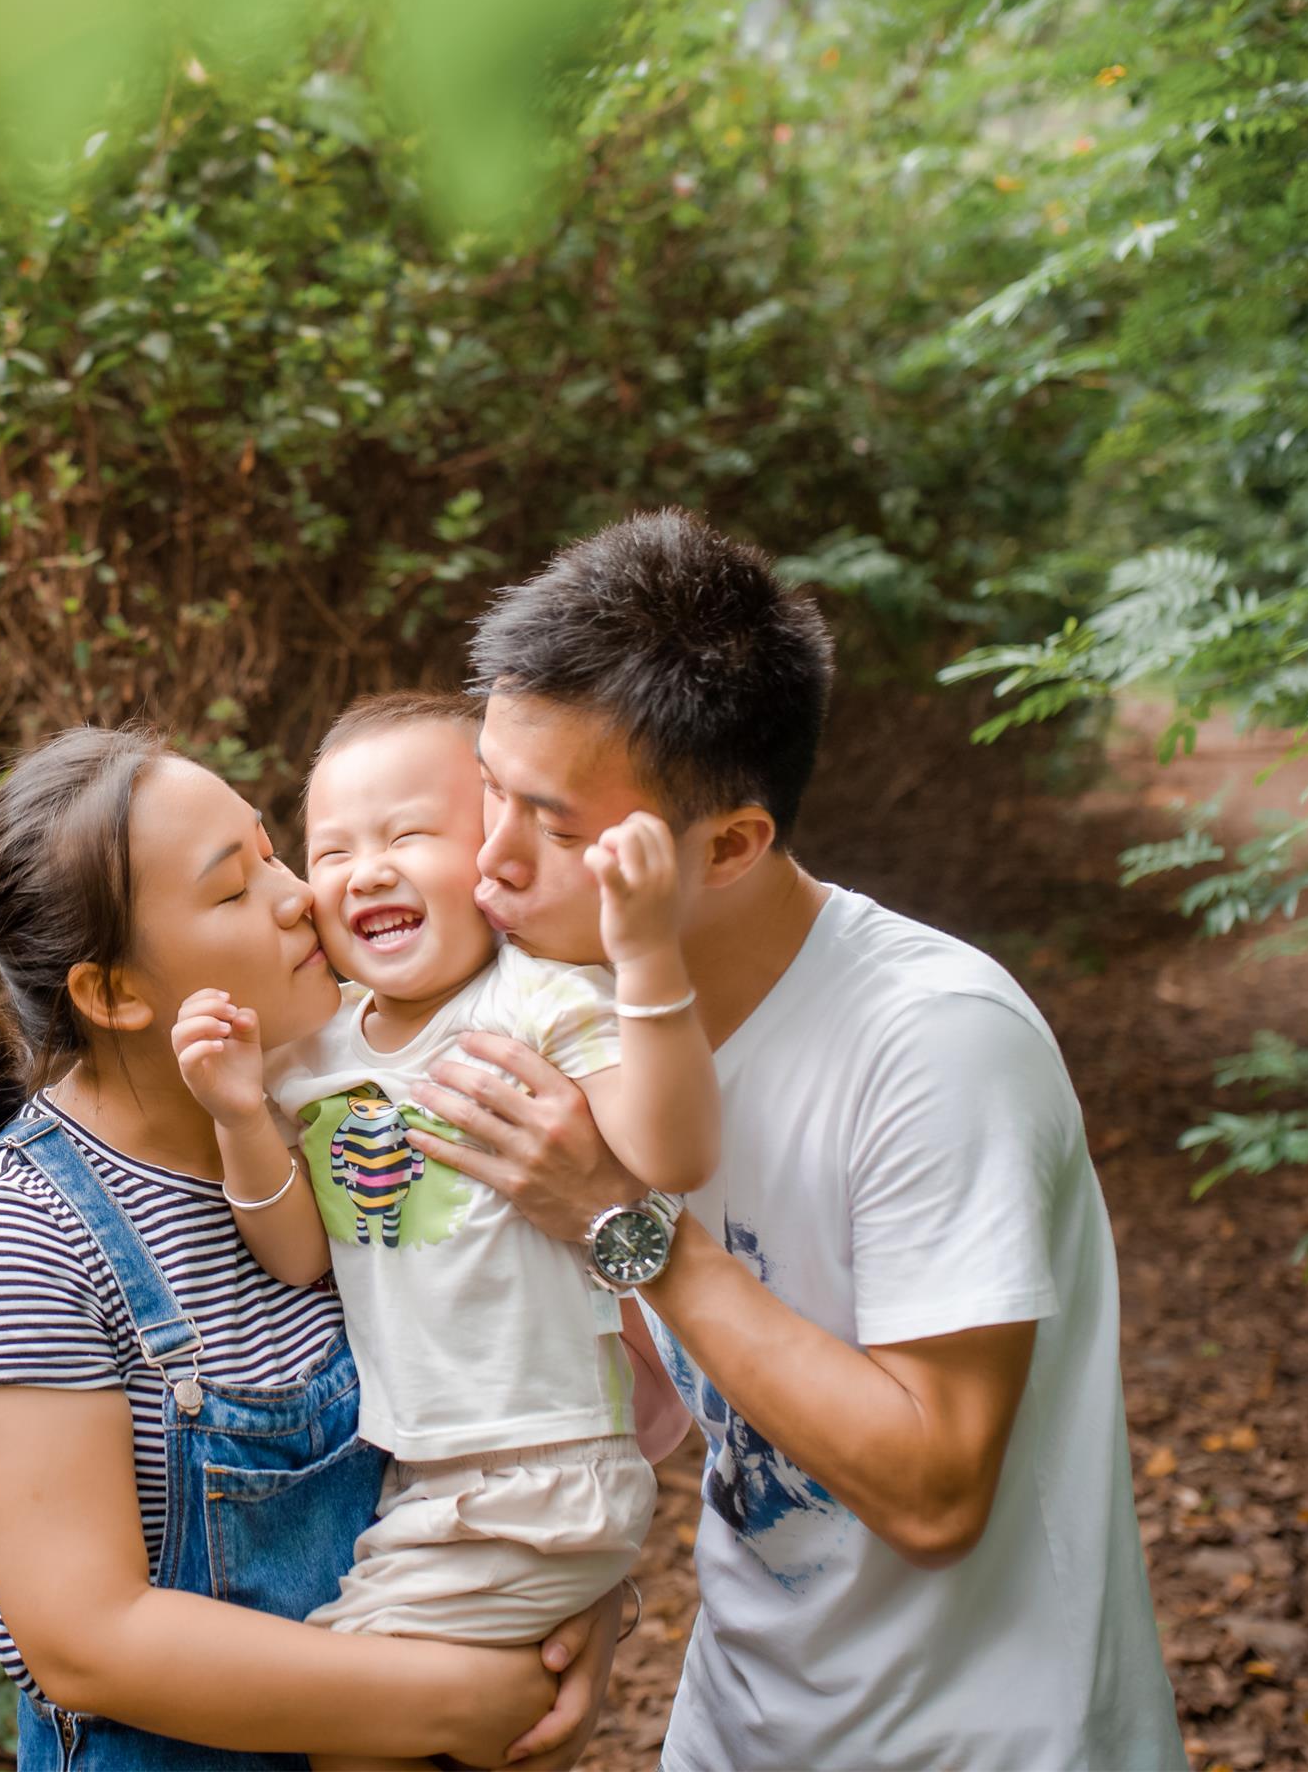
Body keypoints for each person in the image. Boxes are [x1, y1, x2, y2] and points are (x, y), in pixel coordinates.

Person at [401, 510, 1184, 1772]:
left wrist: (623, 1221)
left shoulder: (934, 1044)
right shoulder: (574, 1019)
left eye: (550, 827)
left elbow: (933, 1490)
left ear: (729, 846)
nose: (486, 861)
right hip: (737, 1725)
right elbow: (669, 1402)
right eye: (488, 787)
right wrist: (588, 1594)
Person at [0, 726, 627, 1771]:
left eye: (273, 852)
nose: (300, 897)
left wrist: (561, 1598)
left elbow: (511, 1369)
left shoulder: (351, 1091)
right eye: (231, 891)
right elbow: (85, 1642)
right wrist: (464, 1698)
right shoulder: (13, 1235)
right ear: (113, 992)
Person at [166, 690, 713, 1772]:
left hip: (543, 1470)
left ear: (491, 860)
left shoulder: (538, 1003)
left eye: (410, 834)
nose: (366, 869)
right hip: (420, 1480)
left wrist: (645, 958)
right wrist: (238, 1114)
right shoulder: (310, 1059)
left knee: (350, 1731)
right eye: (331, 851)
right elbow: (295, 1254)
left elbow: (673, 1154)